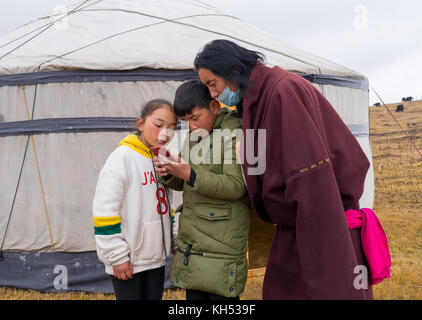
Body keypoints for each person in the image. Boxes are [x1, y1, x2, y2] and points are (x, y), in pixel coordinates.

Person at [194, 39, 378, 300]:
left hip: (319, 227)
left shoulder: (283, 91)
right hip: (297, 228)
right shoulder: (260, 97)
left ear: (232, 70)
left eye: (213, 84)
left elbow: (311, 182)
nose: (213, 95)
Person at [153, 80, 250, 300]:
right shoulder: (196, 135)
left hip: (221, 242)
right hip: (194, 243)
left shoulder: (233, 134)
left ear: (215, 107)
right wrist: (169, 172)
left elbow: (236, 187)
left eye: (195, 118)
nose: (191, 126)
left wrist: (188, 173)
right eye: (185, 121)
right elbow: (188, 179)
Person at [92, 99, 177, 300]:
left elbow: (167, 206)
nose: (165, 133)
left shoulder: (163, 159)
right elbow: (104, 211)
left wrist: (171, 238)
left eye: (172, 128)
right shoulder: (122, 158)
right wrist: (116, 256)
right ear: (140, 124)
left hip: (156, 259)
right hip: (128, 261)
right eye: (158, 125)